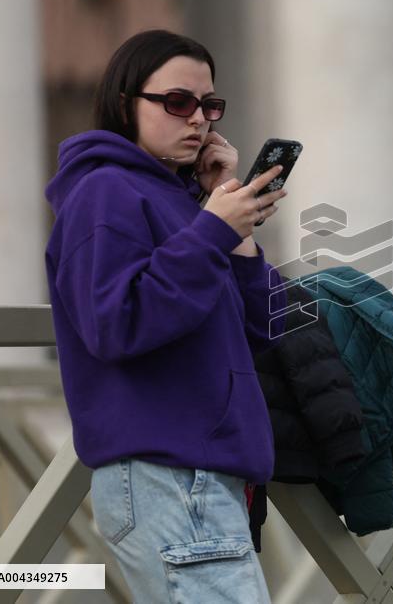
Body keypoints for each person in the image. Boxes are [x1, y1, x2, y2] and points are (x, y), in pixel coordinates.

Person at [44, 29, 288, 602]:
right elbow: (115, 323)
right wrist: (210, 230)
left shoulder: (187, 205)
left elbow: (272, 327)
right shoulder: (103, 191)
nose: (198, 119)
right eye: (177, 102)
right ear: (127, 102)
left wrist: (231, 224)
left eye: (209, 105)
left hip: (206, 476)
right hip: (168, 474)